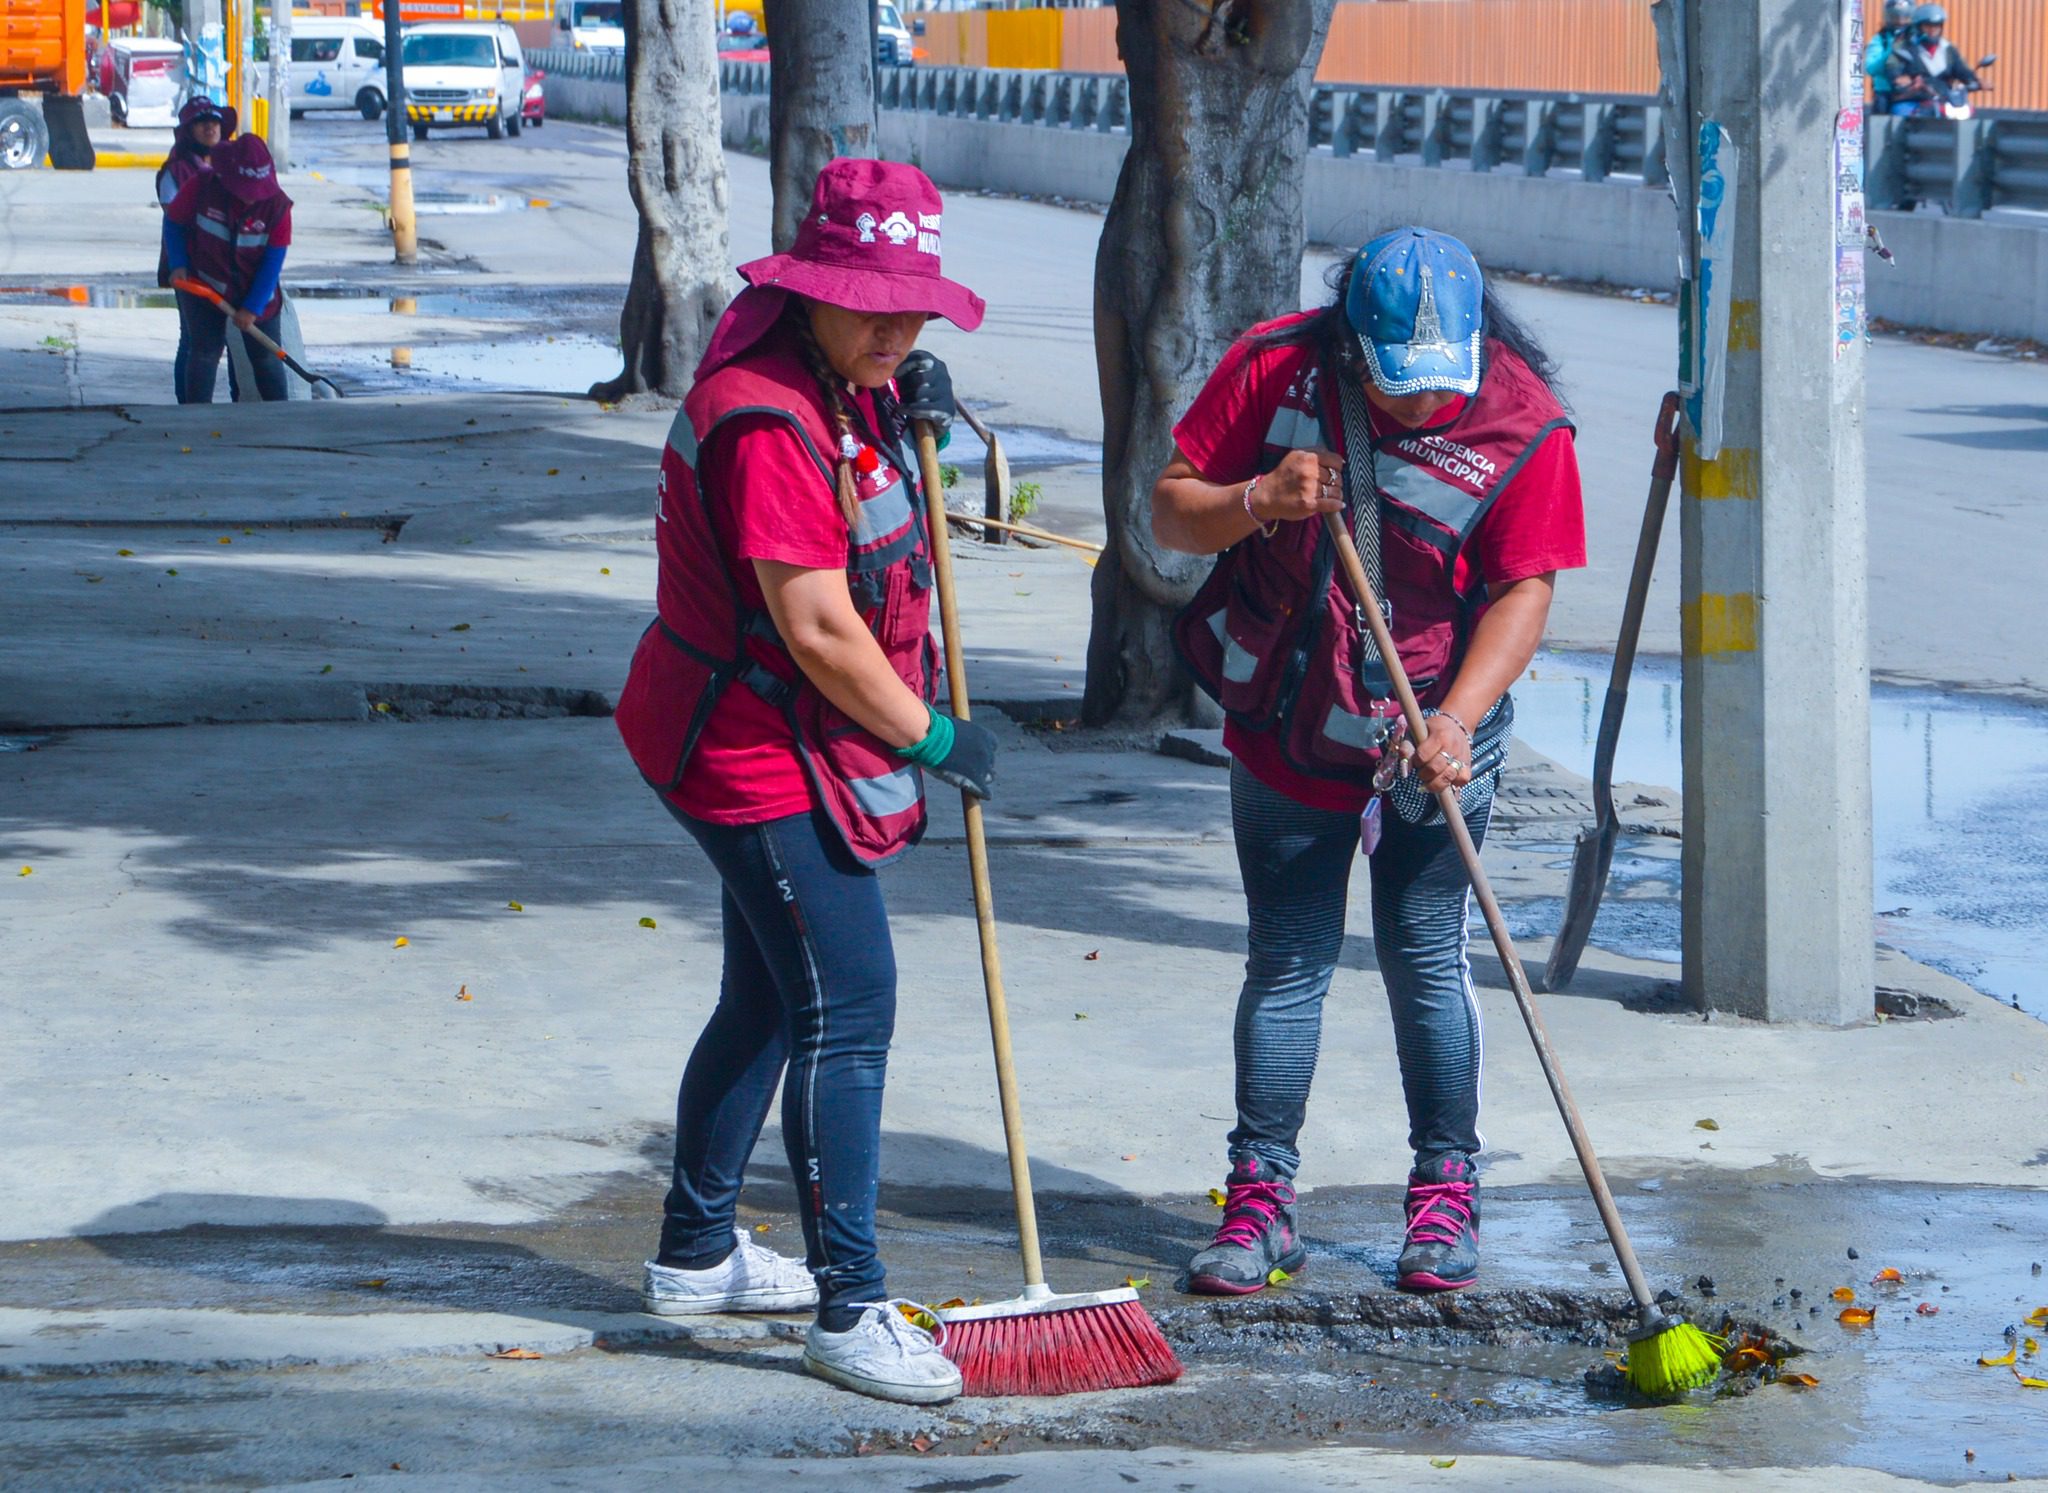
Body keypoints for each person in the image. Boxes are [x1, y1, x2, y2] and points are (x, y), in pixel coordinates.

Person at [612, 158, 994, 1405]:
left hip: (748, 726)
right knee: (848, 1007)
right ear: (807, 290)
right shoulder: (765, 416)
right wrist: (932, 738)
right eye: (869, 302)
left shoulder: (833, 376)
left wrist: (898, 400)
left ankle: (696, 1251)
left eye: (912, 308)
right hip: (746, 747)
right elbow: (820, 628)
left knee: (771, 998)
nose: (895, 326)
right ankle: (850, 1303)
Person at [1154, 227, 1584, 1297]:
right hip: (1286, 715)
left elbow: (1524, 589)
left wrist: (1454, 717)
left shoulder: (1523, 421)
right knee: (1287, 957)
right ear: (1350, 348)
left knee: (1423, 948)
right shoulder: (1272, 366)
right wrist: (1256, 498)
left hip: (1434, 726)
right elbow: (1169, 510)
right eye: (1395, 391)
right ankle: (1259, 1200)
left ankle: (1443, 1192)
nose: (1420, 410)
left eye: (1439, 391)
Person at [161, 132, 292, 404]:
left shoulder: (278, 208)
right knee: (204, 352)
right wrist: (178, 263)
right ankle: (195, 418)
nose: (249, 199)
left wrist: (252, 308)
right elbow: (173, 222)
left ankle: (281, 417)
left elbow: (272, 262)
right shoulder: (203, 186)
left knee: (265, 358)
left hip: (257, 289)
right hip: (204, 284)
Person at [155, 96, 236, 401]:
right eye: (202, 122)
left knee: (232, 339)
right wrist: (179, 264)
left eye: (214, 121)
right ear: (188, 130)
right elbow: (173, 221)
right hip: (188, 268)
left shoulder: (230, 166)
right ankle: (189, 406)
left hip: (226, 267)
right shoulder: (174, 173)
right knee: (193, 340)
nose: (210, 127)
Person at [1885, 4, 1981, 115]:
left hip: (1943, 99)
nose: (1932, 30)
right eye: (1928, 26)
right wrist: (1906, 80)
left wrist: (1975, 80)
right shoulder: (1904, 48)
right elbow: (1892, 70)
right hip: (1912, 99)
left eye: (1936, 26)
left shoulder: (1948, 49)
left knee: (1967, 113)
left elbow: (1961, 69)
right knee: (1903, 114)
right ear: (1919, 27)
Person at [1863, 0, 1913, 115]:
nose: (1900, 21)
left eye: (1904, 17)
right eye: (1896, 17)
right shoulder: (1881, 39)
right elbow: (1871, 68)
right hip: (1884, 94)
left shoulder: (1917, 38)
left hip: (1911, 93)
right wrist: (1891, 50)